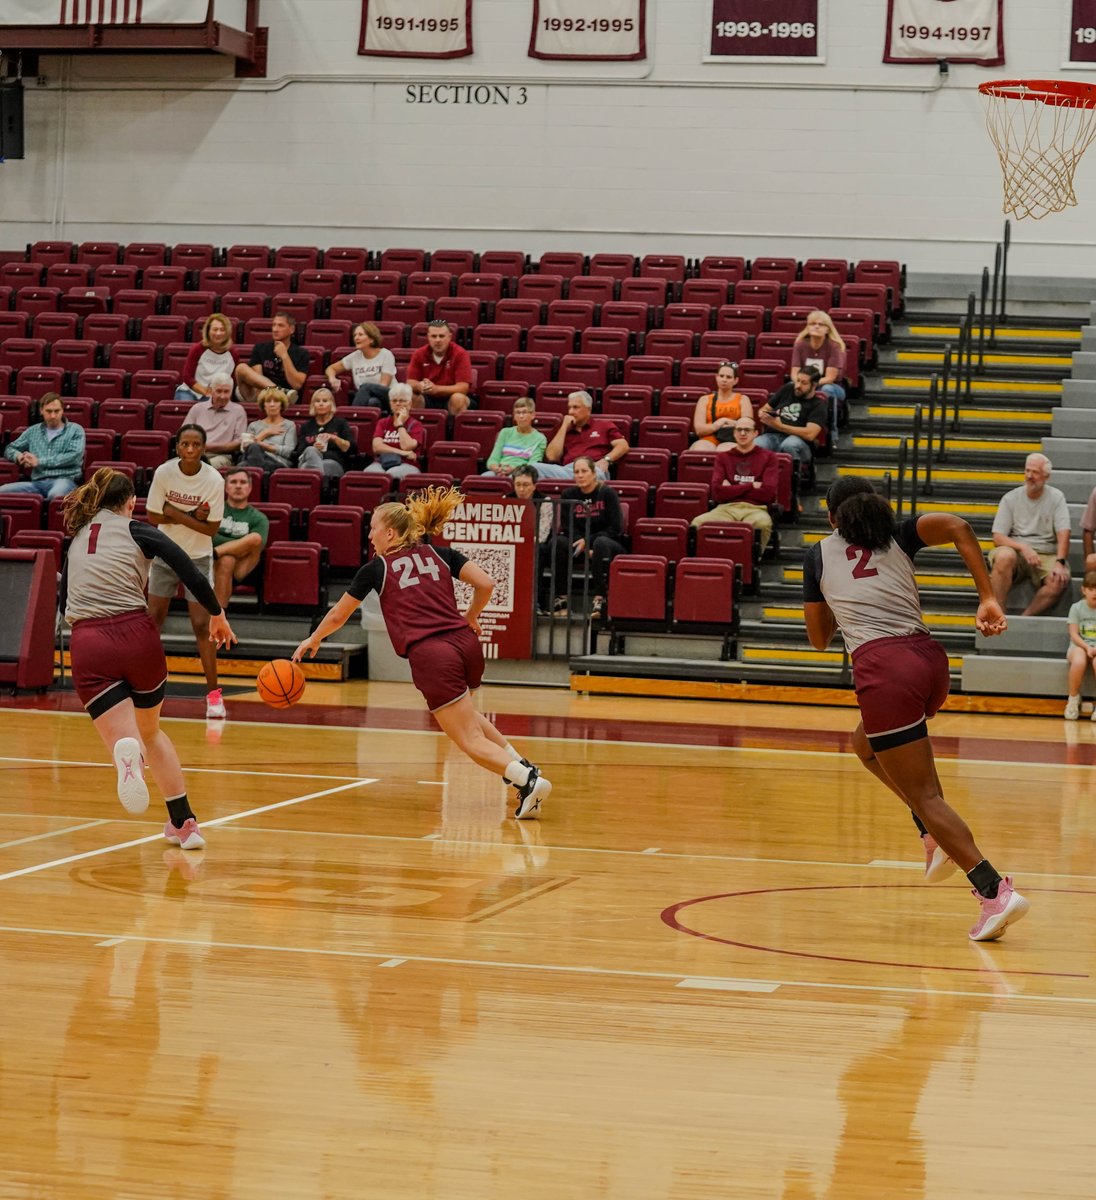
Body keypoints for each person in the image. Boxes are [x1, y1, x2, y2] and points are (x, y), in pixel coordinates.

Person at [802, 474, 1028, 942]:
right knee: (863, 743)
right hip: (929, 662)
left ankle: (993, 891)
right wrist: (987, 597)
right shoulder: (900, 535)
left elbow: (819, 640)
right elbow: (960, 526)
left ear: (831, 518)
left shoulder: (817, 555)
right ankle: (932, 836)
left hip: (885, 669)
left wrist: (830, 596)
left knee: (925, 792)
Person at [292, 487, 552, 819]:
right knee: (469, 718)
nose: (370, 535)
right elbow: (486, 583)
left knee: (468, 739)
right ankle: (520, 764)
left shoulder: (377, 568)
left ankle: (525, 779)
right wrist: (471, 616)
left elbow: (339, 615)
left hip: (433, 653)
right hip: (466, 644)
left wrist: (313, 638)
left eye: (373, 527)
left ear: (389, 532)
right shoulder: (440, 553)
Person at [61, 467, 236, 850]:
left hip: (89, 640)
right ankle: (185, 825)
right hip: (138, 637)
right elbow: (188, 567)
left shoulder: (75, 538)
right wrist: (217, 613)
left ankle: (129, 756)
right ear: (131, 503)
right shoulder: (137, 529)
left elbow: (64, 601)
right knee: (152, 731)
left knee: (125, 735)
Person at [146, 424, 228, 719]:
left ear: (204, 449)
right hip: (165, 553)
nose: (190, 450)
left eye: (196, 445)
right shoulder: (164, 473)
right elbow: (153, 515)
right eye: (185, 444)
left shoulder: (214, 479)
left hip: (197, 557)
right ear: (177, 447)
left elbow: (212, 528)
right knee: (153, 620)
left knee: (202, 625)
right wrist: (191, 516)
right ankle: (144, 689)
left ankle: (214, 696)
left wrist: (174, 512)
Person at [989, 452, 1072, 616]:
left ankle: (1024, 618)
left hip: (1046, 553)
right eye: (1027, 471)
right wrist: (1023, 548)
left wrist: (1060, 562)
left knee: (1058, 580)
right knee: (1004, 556)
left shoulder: (1056, 497)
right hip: (1016, 551)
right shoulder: (1010, 498)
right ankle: (998, 615)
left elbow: (1064, 532)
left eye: (1034, 472)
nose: (1029, 476)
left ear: (1046, 476)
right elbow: (998, 537)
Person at [550, 456, 626, 619]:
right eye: (576, 472)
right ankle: (561, 598)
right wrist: (581, 544)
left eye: (584, 471)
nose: (580, 475)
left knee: (600, 543)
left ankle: (600, 598)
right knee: (559, 542)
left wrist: (588, 542)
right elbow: (567, 526)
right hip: (579, 543)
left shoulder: (607, 493)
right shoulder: (568, 494)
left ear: (594, 474)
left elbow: (615, 528)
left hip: (608, 543)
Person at [690, 416, 778, 552]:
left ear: (755, 433)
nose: (742, 433)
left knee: (762, 523)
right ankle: (706, 560)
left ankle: (751, 562)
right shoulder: (723, 457)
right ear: (734, 433)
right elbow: (718, 493)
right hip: (725, 508)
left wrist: (731, 488)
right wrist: (750, 486)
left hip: (755, 509)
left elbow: (767, 494)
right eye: (739, 430)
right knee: (697, 523)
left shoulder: (769, 457)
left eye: (747, 430)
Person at [1, 393, 85, 500]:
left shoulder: (75, 430)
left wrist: (39, 461)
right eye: (49, 411)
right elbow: (10, 448)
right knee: (2, 491)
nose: (53, 415)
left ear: (62, 410)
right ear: (41, 411)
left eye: (57, 411)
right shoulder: (33, 431)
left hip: (65, 480)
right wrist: (20, 457)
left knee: (55, 495)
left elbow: (74, 456)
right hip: (37, 483)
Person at [537, 391, 629, 481]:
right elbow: (551, 456)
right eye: (569, 408)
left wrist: (606, 460)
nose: (571, 411)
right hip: (568, 469)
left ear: (588, 409)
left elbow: (623, 446)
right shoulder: (564, 430)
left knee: (595, 474)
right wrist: (564, 427)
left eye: (575, 407)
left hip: (593, 467)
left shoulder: (604, 425)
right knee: (533, 468)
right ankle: (573, 482)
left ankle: (572, 483)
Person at [755, 366, 827, 478]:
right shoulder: (787, 389)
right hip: (773, 435)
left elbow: (810, 434)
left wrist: (779, 426)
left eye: (804, 383)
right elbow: (764, 409)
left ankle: (793, 479)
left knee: (789, 445)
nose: (798, 386)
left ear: (814, 385)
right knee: (756, 444)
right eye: (797, 380)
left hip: (800, 442)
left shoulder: (818, 405)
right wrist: (764, 415)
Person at [213, 468, 269, 608]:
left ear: (250, 488)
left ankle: (216, 552)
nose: (238, 486)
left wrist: (220, 546)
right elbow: (209, 536)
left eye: (243, 482)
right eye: (233, 482)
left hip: (244, 565)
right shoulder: (214, 510)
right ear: (226, 487)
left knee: (255, 538)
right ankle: (219, 618)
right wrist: (238, 547)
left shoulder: (259, 518)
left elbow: (257, 544)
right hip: (215, 564)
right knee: (227, 560)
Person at [791, 310, 848, 439]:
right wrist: (801, 384)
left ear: (828, 329)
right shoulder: (800, 345)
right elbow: (794, 373)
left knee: (826, 390)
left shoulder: (834, 347)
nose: (816, 326)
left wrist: (809, 385)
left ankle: (831, 431)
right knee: (790, 387)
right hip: (806, 383)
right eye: (812, 323)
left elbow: (830, 378)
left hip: (834, 386)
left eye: (821, 324)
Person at [234, 312, 310, 404]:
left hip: (287, 399)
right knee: (241, 368)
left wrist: (285, 357)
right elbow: (258, 382)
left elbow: (297, 385)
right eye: (274, 325)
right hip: (262, 395)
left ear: (292, 329)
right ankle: (279, 392)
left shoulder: (302, 353)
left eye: (280, 325)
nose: (275, 329)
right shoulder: (260, 348)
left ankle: (280, 394)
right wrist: (273, 391)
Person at [511, 464, 555, 615]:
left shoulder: (545, 501)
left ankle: (535, 603)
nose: (521, 489)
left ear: (534, 486)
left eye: (526, 485)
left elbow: (542, 535)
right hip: (512, 544)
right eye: (518, 485)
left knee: (537, 551)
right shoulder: (506, 500)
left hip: (536, 545)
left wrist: (523, 542)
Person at [407, 318, 474, 416]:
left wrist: (436, 389)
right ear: (428, 337)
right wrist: (420, 386)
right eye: (434, 336)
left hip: (451, 397)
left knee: (458, 398)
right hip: (428, 396)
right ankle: (415, 430)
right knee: (410, 396)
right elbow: (410, 382)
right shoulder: (419, 354)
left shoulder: (460, 354)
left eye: (441, 336)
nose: (438, 340)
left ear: (449, 337)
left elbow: (463, 387)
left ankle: (455, 430)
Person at [325, 321, 397, 410]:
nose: (356, 338)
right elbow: (331, 368)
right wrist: (332, 379)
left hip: (390, 396)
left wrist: (366, 389)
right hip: (368, 397)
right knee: (373, 402)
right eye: (355, 335)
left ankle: (352, 416)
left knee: (365, 387)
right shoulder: (355, 356)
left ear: (372, 339)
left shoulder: (386, 354)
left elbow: (384, 385)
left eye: (360, 335)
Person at [184, 373, 247, 470]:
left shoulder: (239, 411)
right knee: (166, 468)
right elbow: (184, 435)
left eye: (226, 392)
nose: (222, 396)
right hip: (193, 453)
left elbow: (239, 443)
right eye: (219, 391)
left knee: (204, 467)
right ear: (210, 391)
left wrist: (208, 447)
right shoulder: (197, 408)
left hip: (222, 456)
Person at [365, 383, 425, 482]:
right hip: (381, 462)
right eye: (394, 401)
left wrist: (400, 425)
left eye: (402, 401)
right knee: (369, 473)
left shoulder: (415, 425)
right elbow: (377, 447)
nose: (397, 404)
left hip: (407, 464)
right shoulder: (382, 422)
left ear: (409, 404)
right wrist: (402, 453)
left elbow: (407, 446)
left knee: (392, 475)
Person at [688, 362, 753, 451]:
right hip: (708, 439)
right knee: (700, 449)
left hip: (732, 439)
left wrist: (729, 422)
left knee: (724, 452)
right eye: (721, 376)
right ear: (716, 377)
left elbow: (747, 426)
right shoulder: (704, 400)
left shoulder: (743, 399)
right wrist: (719, 423)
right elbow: (699, 430)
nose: (724, 379)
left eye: (728, 377)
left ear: (736, 380)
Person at [296, 387, 354, 479]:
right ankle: (317, 482)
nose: (321, 404)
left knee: (318, 466)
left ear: (332, 404)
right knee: (311, 451)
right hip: (308, 462)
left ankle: (310, 483)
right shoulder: (306, 426)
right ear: (313, 405)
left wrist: (334, 438)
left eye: (325, 401)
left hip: (333, 463)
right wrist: (314, 448)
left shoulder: (340, 423)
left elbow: (351, 448)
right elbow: (299, 451)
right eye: (317, 401)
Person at [176, 312, 235, 401]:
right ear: (208, 331)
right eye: (215, 329)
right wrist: (205, 392)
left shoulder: (232, 353)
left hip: (215, 396)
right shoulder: (197, 349)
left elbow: (234, 379)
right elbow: (187, 377)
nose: (218, 333)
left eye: (222, 330)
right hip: (191, 391)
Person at [484, 397, 547, 477]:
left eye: (524, 412)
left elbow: (533, 465)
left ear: (533, 415)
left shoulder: (540, 438)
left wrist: (514, 469)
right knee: (485, 477)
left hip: (522, 473)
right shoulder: (505, 432)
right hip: (499, 471)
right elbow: (492, 460)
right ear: (514, 416)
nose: (521, 416)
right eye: (517, 413)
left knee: (512, 479)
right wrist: (497, 469)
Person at [241, 386, 297, 474]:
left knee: (243, 465)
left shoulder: (289, 425)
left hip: (277, 463)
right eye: (268, 401)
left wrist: (265, 446)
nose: (272, 404)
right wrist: (265, 433)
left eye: (276, 401)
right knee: (252, 451)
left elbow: (289, 451)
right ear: (263, 405)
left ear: (281, 405)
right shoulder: (254, 425)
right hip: (255, 459)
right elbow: (244, 448)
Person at [1064, 570, 1096, 721]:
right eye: (1091, 589)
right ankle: (1073, 698)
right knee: (1079, 661)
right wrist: (1087, 648)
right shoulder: (1076, 608)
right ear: (1083, 590)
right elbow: (1074, 634)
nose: (1094, 593)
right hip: (1079, 646)